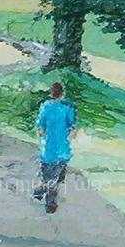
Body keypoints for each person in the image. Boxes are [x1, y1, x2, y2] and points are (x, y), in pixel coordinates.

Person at [32, 80, 77, 213]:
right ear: (62, 94)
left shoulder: (45, 106)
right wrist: (67, 136)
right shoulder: (68, 107)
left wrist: (44, 135)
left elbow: (40, 129)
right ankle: (49, 201)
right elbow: (73, 128)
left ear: (51, 93)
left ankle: (43, 192)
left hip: (48, 149)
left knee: (49, 177)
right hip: (62, 149)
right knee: (56, 178)